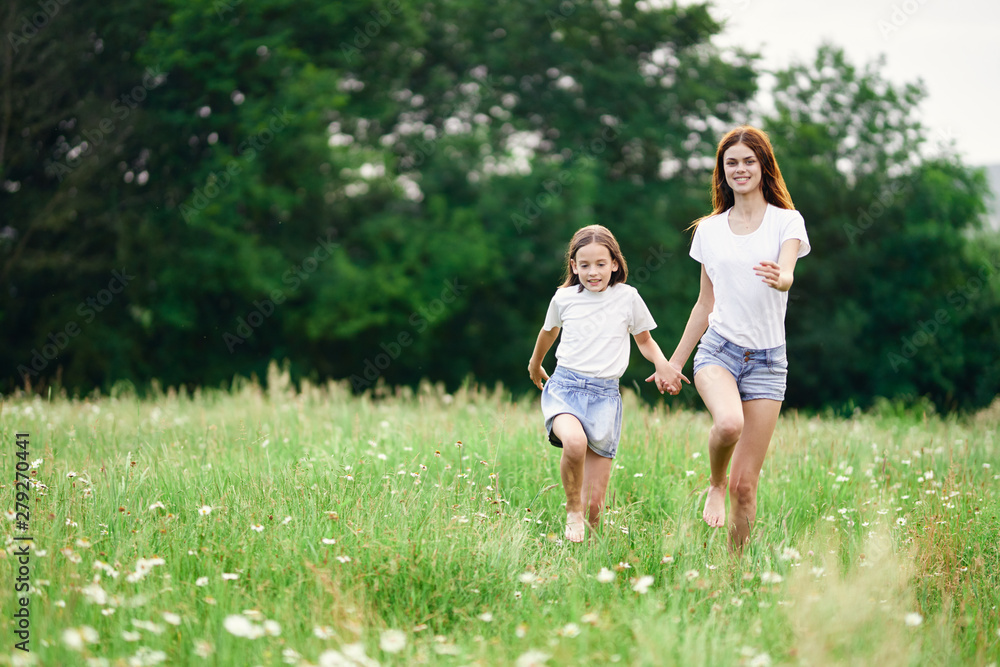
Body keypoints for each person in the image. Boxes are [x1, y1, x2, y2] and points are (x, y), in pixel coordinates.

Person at [661, 126, 810, 552]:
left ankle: (735, 572)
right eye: (732, 162)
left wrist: (782, 278)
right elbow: (704, 304)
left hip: (768, 362)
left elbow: (786, 272)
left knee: (746, 487)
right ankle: (713, 482)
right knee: (728, 423)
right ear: (722, 171)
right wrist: (673, 362)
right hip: (719, 351)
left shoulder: (787, 221)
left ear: (764, 166)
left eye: (749, 160)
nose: (740, 169)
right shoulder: (708, 230)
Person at [528, 224, 688, 543]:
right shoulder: (564, 298)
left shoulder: (627, 298)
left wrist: (664, 366)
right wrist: (535, 363)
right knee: (573, 443)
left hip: (605, 398)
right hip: (566, 389)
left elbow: (644, 340)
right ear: (573, 266)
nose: (593, 272)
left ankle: (585, 557)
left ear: (615, 263)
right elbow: (548, 332)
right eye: (584, 265)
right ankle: (571, 509)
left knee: (596, 507)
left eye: (600, 264)